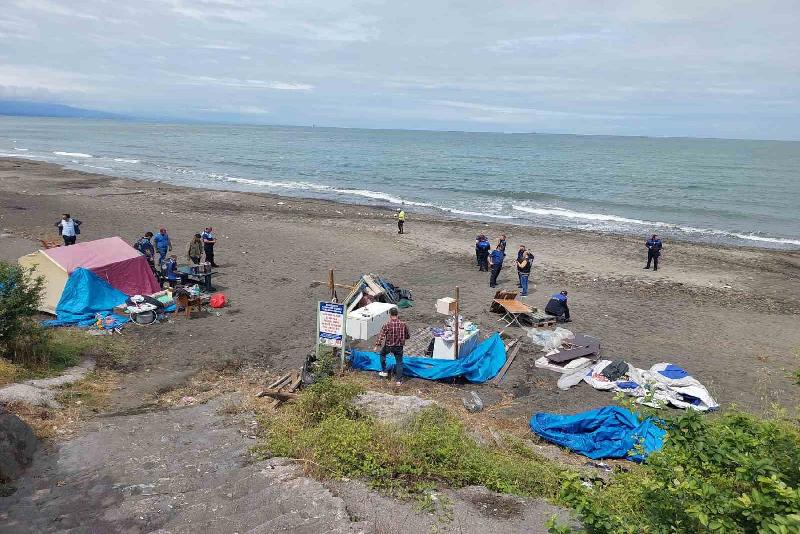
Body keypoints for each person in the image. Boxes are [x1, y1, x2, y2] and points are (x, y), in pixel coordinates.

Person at [374, 308, 410, 386]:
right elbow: (407, 335)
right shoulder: (403, 324)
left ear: (390, 315)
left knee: (382, 354)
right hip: (399, 347)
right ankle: (398, 381)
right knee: (399, 362)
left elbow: (381, 336)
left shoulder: (387, 325)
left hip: (389, 346)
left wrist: (377, 345)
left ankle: (384, 371)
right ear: (397, 314)